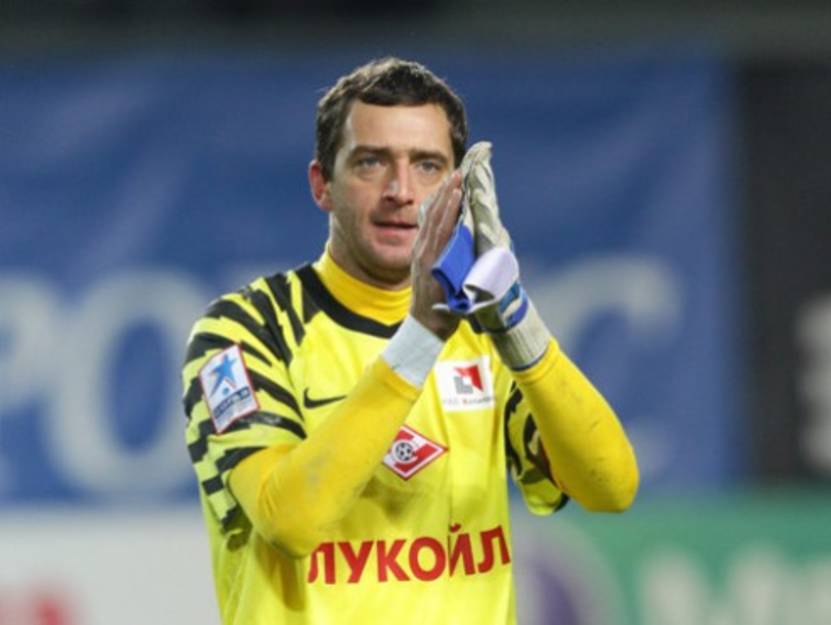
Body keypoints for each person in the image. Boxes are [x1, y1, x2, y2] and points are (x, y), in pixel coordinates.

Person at [182, 57, 639, 625]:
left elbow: (611, 487)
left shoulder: (487, 335)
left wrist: (518, 322)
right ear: (322, 184)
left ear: (458, 189)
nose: (401, 191)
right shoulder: (246, 331)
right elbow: (290, 521)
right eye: (371, 162)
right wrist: (420, 338)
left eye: (427, 166)